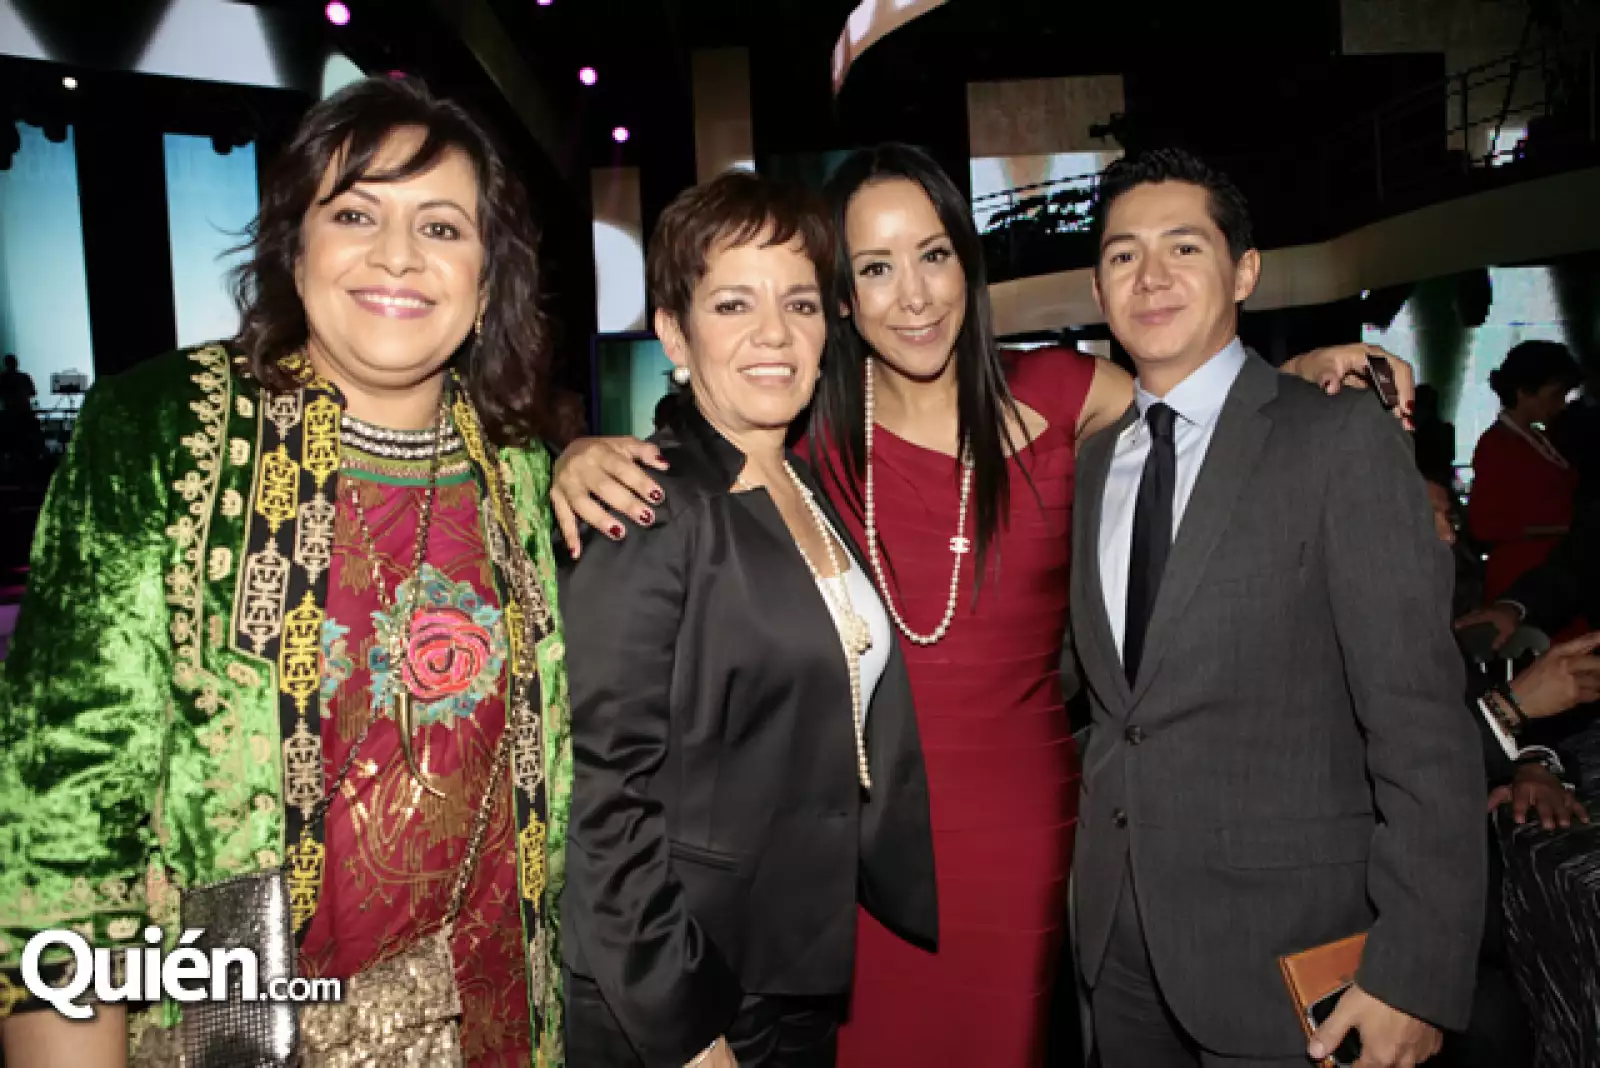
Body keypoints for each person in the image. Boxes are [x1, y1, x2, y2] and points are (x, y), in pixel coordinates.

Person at [549, 143, 1415, 1067]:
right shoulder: (810, 432)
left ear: (968, 262)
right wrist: (578, 455)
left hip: (1022, 833)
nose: (913, 297)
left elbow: (1203, 404)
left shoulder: (1063, 392)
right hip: (855, 852)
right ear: (843, 299)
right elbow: (699, 460)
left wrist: (1301, 373)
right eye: (874, 269)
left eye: (933, 255)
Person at [0, 77, 572, 1068]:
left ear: (487, 285)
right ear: (293, 248)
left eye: (441, 227)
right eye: (354, 213)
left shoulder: (514, 469)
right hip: (237, 1033)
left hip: (491, 1032)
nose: (397, 254)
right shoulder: (161, 430)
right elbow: (62, 834)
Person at [1070, 148, 1484, 1068]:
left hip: (1293, 961)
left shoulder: (1338, 438)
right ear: (1098, 289)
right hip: (1119, 951)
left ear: (1245, 272)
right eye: (1124, 254)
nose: (1151, 276)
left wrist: (1417, 970)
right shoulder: (1093, 465)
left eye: (1185, 247)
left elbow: (1420, 722)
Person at [560, 171, 937, 1067]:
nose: (775, 333)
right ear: (673, 334)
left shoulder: (802, 479)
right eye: (734, 304)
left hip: (794, 967)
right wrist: (687, 1027)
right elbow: (602, 799)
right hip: (688, 983)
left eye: (799, 303)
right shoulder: (645, 507)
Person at [1468, 340, 1583, 607]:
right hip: (1522, 577)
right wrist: (1564, 527)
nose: (1561, 404)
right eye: (1555, 394)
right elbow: (1483, 525)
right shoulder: (1497, 445)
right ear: (1524, 391)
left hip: (1552, 575)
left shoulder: (1539, 438)